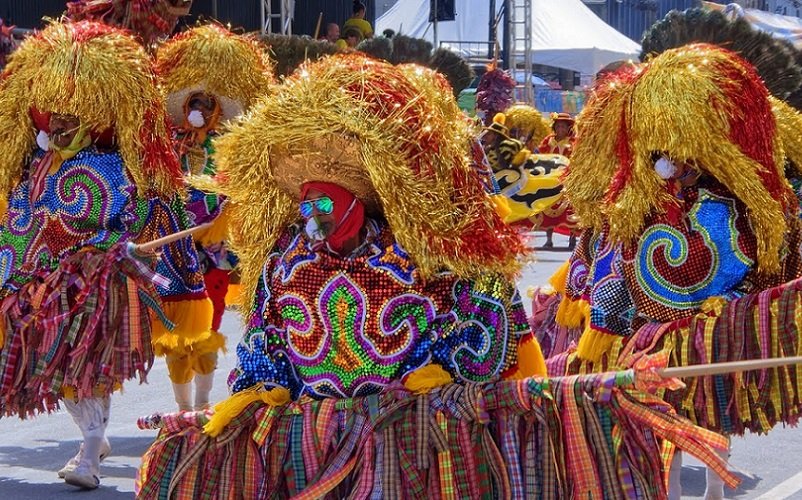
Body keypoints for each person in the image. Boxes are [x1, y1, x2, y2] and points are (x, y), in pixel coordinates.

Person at [0, 20, 195, 489]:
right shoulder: (34, 167)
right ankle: (91, 436)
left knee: (87, 368)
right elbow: (18, 226)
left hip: (94, 284)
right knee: (57, 370)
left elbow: (137, 216)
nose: (61, 125)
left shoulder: (113, 166)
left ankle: (90, 449)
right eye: (55, 118)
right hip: (37, 286)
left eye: (72, 117)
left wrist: (111, 251)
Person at [155, 23, 273, 411]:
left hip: (215, 251)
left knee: (208, 324)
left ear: (218, 110)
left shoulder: (231, 148)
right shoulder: (169, 146)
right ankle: (182, 407)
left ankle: (202, 403)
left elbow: (242, 189)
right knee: (175, 330)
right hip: (173, 248)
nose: (199, 112)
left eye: (207, 105)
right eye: (194, 104)